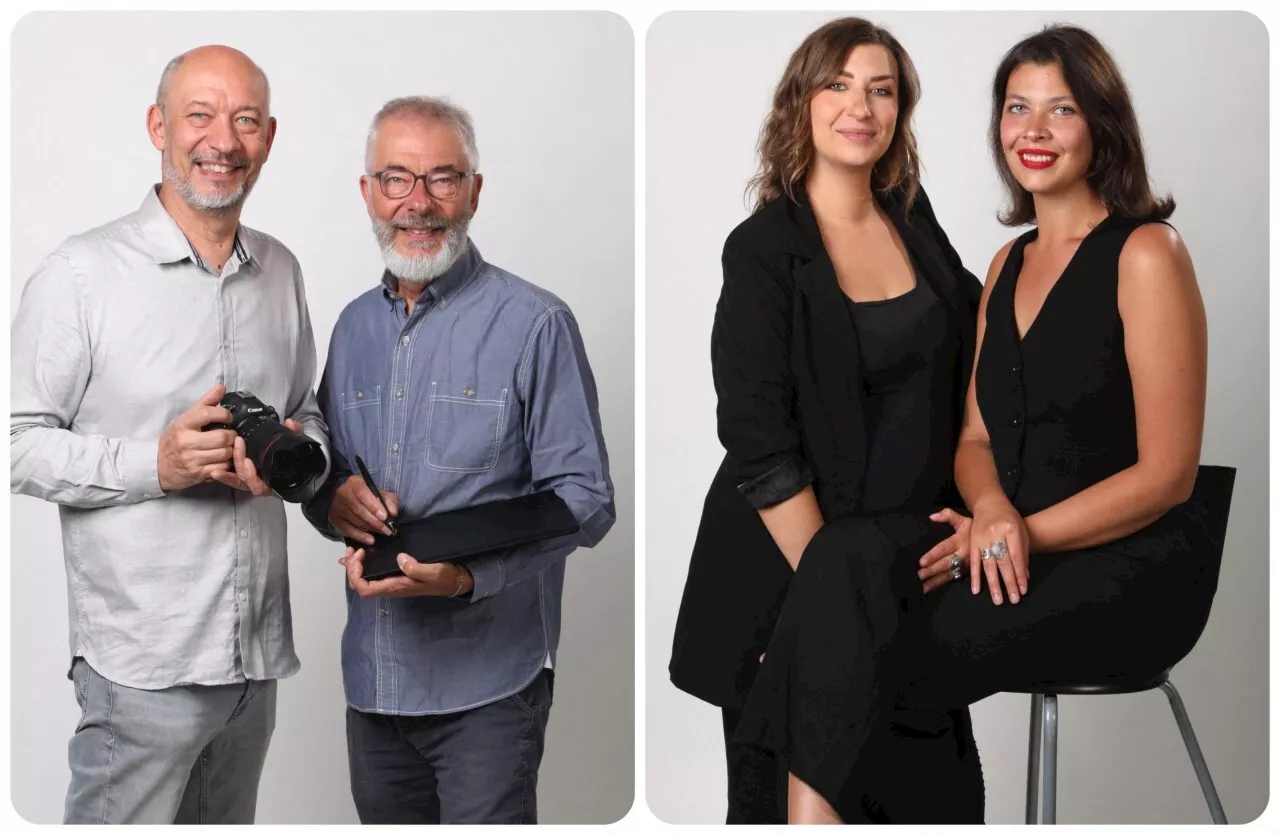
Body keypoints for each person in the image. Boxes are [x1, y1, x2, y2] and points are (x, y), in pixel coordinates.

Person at [733, 24, 1227, 824]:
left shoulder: (1148, 254)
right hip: (1013, 540)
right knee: (849, 560)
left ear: (1101, 123)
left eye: (1060, 109)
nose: (1033, 131)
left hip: (1135, 565)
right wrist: (993, 511)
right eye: (1016, 108)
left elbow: (1167, 475)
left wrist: (1014, 531)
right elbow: (973, 440)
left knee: (859, 637)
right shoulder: (1005, 266)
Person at [667, 18, 986, 824]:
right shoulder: (763, 248)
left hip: (901, 575)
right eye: (837, 84)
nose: (861, 106)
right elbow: (757, 439)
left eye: (881, 89)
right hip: (783, 582)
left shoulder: (915, 219)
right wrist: (829, 607)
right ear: (800, 103)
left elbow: (985, 348)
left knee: (930, 797)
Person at [9, 45, 329, 824]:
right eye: (200, 114)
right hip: (141, 668)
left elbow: (309, 413)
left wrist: (292, 459)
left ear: (269, 137)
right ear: (158, 126)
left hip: (254, 663)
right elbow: (15, 439)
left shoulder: (281, 270)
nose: (223, 139)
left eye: (245, 120)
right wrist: (156, 463)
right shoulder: (82, 274)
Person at [301, 96, 615, 825]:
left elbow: (587, 497)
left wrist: (470, 578)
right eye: (397, 179)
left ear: (474, 190)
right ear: (366, 192)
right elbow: (326, 478)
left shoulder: (537, 324)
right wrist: (331, 497)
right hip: (372, 687)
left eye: (443, 178)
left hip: (488, 691)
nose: (418, 203)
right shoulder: (351, 328)